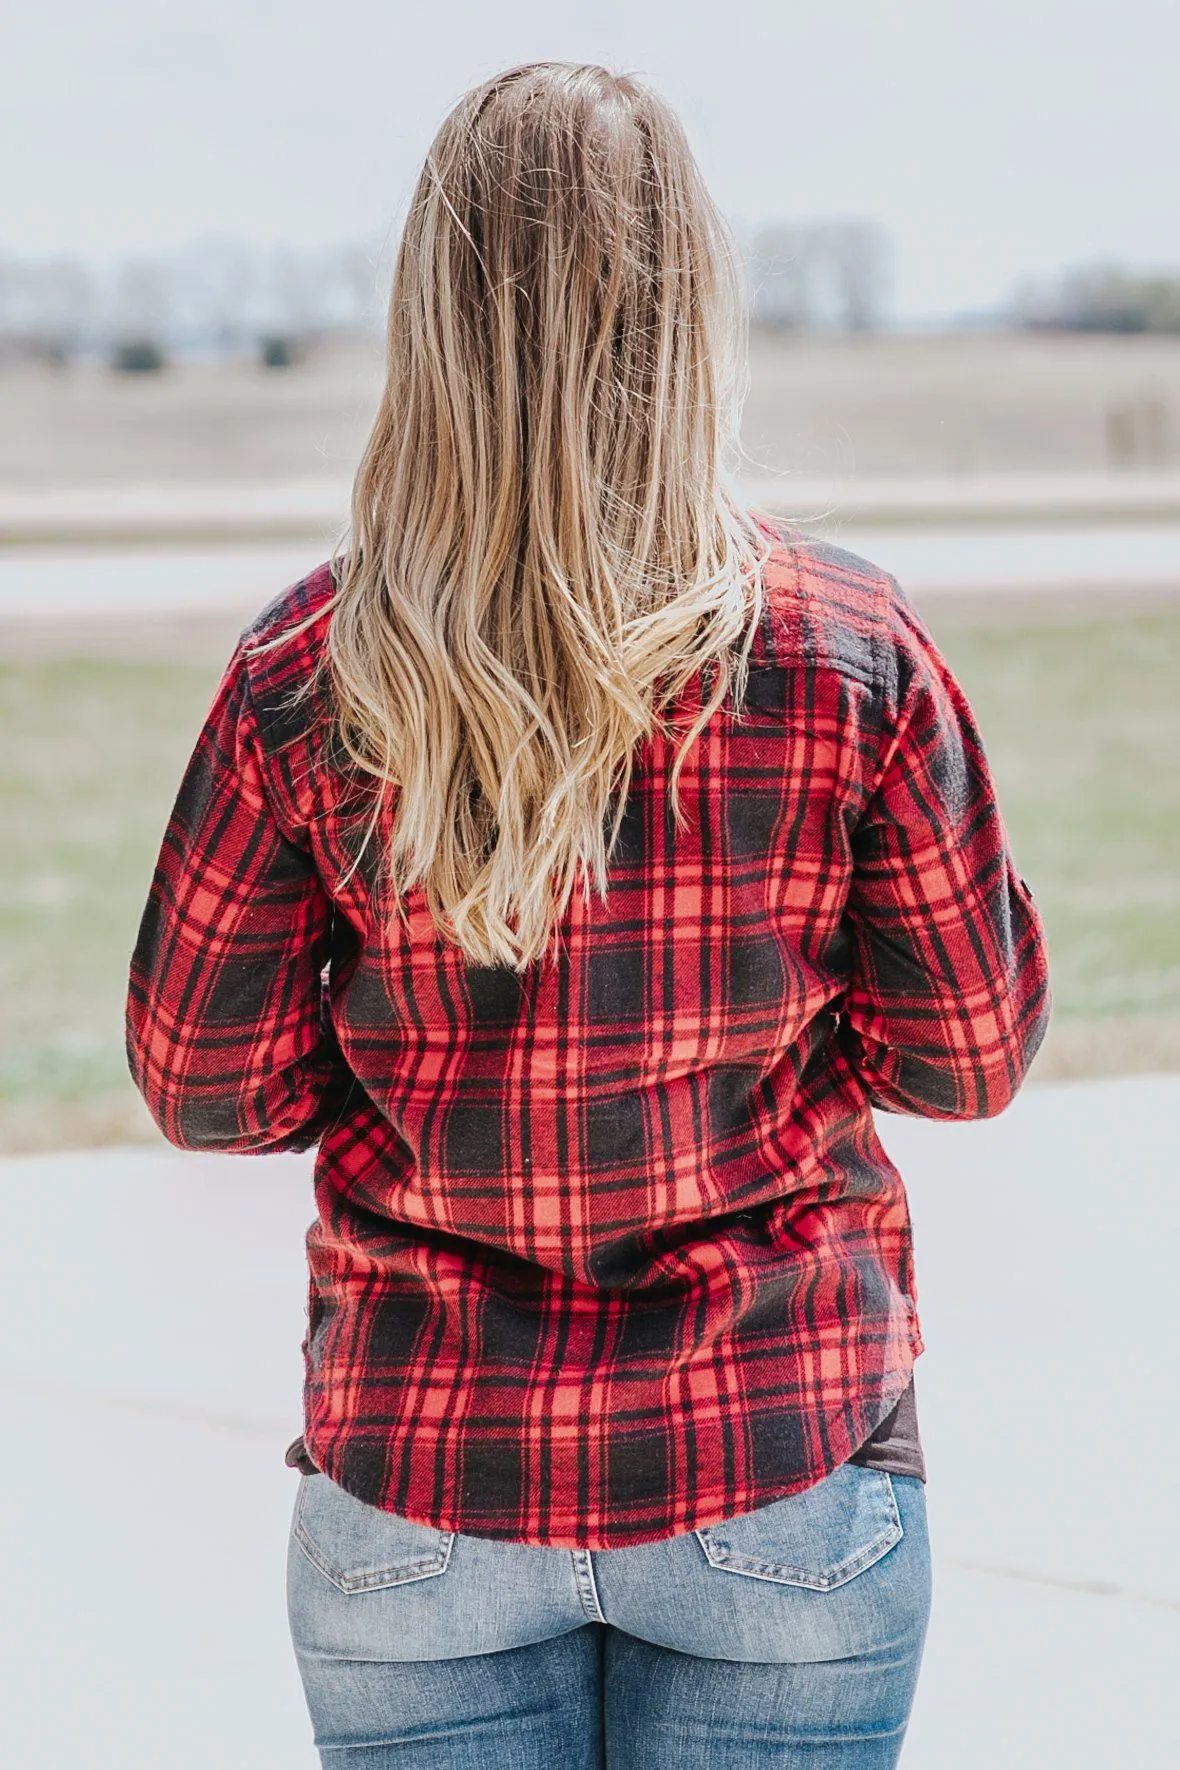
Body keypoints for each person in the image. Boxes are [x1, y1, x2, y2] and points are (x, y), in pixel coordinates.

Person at [125, 60, 1050, 1770]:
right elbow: (972, 1054)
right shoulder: (851, 653)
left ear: (432, 315)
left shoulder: (305, 670)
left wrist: (413, 1096)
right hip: (781, 1459)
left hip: (419, 1486)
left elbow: (200, 1080)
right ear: (691, 308)